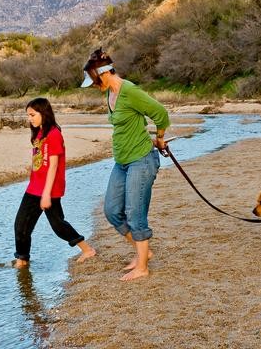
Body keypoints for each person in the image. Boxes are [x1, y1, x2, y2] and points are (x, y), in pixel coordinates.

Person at [81, 48, 170, 281]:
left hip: (141, 159)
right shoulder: (110, 93)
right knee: (112, 211)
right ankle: (144, 252)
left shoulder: (130, 90)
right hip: (122, 162)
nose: (92, 86)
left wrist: (159, 139)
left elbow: (160, 113)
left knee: (134, 212)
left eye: (93, 81)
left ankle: (142, 267)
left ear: (103, 73)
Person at [14, 97, 96, 268]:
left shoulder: (54, 134)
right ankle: (22, 259)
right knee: (21, 224)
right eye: (28, 116)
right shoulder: (39, 133)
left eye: (32, 115)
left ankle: (87, 250)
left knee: (58, 224)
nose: (30, 119)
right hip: (34, 187)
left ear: (43, 113)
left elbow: (53, 167)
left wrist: (46, 195)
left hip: (48, 189)